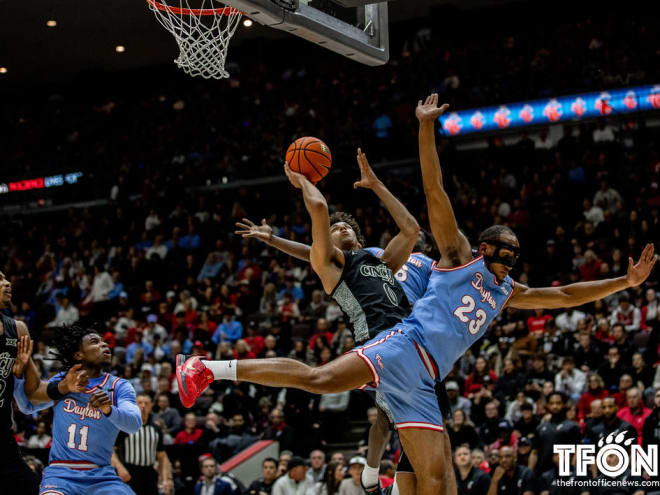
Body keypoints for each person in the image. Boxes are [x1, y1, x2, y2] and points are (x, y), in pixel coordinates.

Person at [176, 94, 657, 495]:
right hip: (402, 344)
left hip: (425, 380)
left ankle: (374, 475)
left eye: (515, 254)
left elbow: (567, 294)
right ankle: (206, 369)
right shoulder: (455, 255)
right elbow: (434, 191)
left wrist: (624, 283)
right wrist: (426, 129)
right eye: (504, 250)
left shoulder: (509, 291)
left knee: (440, 483)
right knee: (321, 380)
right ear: (485, 247)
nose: (510, 259)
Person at [234, 149, 443, 493]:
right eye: (332, 228)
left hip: (408, 340)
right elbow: (316, 252)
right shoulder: (336, 262)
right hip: (378, 343)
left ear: (358, 238)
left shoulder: (379, 259)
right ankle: (381, 477)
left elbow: (410, 229)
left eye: (345, 225)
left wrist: (376, 185)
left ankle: (374, 475)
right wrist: (276, 238)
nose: (339, 226)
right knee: (392, 418)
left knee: (388, 417)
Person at [19, 324, 142, 494]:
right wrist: (19, 376)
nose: (104, 345)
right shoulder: (64, 380)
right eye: (95, 342)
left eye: (104, 342)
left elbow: (134, 423)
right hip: (61, 474)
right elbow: (27, 405)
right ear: (78, 354)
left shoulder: (119, 386)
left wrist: (109, 409)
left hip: (101, 475)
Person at [112, 392, 174, 495]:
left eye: (146, 403)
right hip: (130, 471)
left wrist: (165, 479)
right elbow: (110, 450)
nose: (143, 406)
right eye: (140, 403)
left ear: (151, 406)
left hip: (150, 473)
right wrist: (120, 468)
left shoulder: (156, 428)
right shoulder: (125, 426)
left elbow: (162, 456)